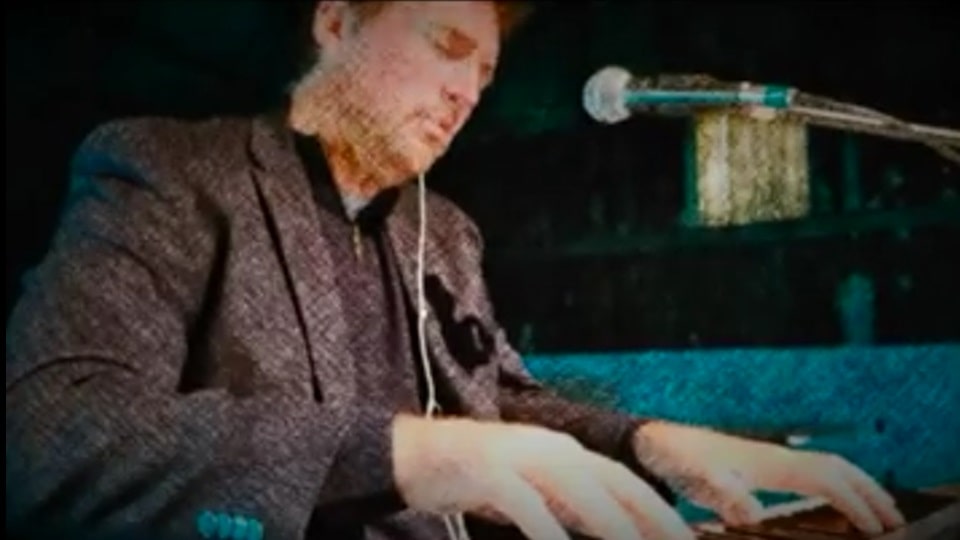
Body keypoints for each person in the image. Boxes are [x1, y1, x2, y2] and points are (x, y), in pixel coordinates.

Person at [6, 2, 906, 540]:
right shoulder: (168, 171)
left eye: (484, 71)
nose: (467, 92)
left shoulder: (445, 232)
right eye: (445, 44)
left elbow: (503, 404)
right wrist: (412, 453)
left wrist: (651, 439)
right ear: (335, 21)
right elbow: (48, 437)